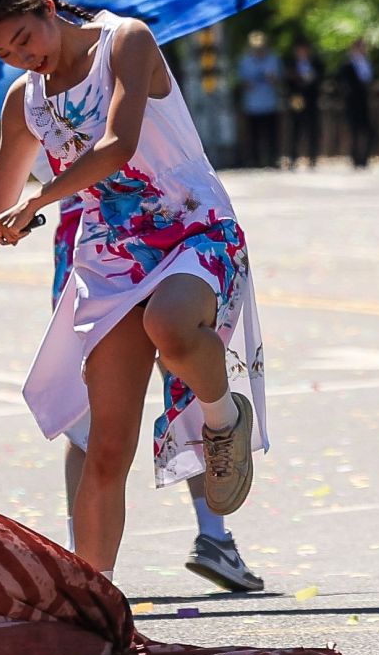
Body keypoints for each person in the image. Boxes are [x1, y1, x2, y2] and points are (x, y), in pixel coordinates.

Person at [0, 0, 264, 579]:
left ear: (48, 6)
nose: (24, 58)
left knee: (172, 327)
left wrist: (41, 202)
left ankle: (221, 420)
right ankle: (91, 603)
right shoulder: (26, 100)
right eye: (4, 53)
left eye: (25, 39)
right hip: (112, 261)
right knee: (104, 448)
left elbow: (117, 144)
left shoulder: (124, 40)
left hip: (193, 228)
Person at [44, 199, 264, 592]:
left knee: (184, 368)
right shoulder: (31, 134)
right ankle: (89, 571)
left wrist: (36, 200)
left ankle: (211, 532)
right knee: (99, 424)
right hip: (97, 252)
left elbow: (120, 146)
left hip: (167, 233)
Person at [235, 31, 283, 169]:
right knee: (254, 135)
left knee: (272, 134)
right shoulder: (245, 61)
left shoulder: (273, 60)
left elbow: (279, 79)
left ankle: (273, 159)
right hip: (253, 104)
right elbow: (241, 82)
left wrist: (272, 78)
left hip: (270, 103)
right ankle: (255, 161)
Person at [338, 37, 377, 169]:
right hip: (352, 102)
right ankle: (355, 158)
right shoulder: (347, 64)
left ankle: (365, 158)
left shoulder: (367, 62)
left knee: (367, 130)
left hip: (365, 102)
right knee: (354, 131)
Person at [286, 36, 323, 168]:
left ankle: (313, 158)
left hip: (311, 98)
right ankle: (293, 158)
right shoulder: (291, 63)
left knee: (312, 129)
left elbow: (320, 78)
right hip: (297, 98)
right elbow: (287, 80)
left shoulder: (315, 63)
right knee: (296, 129)